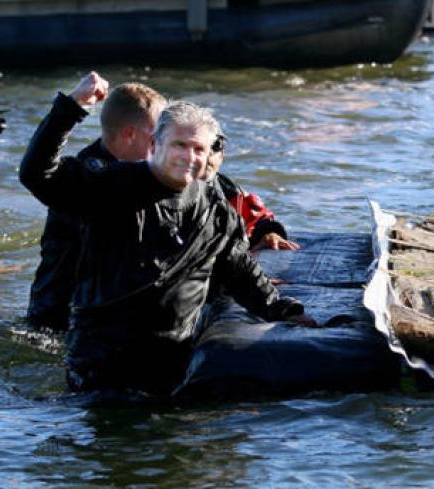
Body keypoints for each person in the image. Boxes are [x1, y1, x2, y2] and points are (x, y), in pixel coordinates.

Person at [19, 72, 313, 395]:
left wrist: (283, 310)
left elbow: (239, 269)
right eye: (180, 145)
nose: (189, 157)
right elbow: (37, 173)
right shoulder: (108, 185)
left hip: (171, 363)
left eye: (199, 149)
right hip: (102, 369)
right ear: (154, 144)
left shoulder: (214, 205)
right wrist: (70, 107)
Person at [26, 82, 167, 331]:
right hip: (60, 322)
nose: (164, 144)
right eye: (158, 136)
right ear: (130, 134)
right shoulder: (85, 182)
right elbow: (37, 171)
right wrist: (70, 107)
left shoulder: (145, 172)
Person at [201, 131, 300, 251]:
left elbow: (259, 222)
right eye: (185, 146)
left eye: (214, 146)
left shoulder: (231, 194)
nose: (206, 156)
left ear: (222, 155)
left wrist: (268, 235)